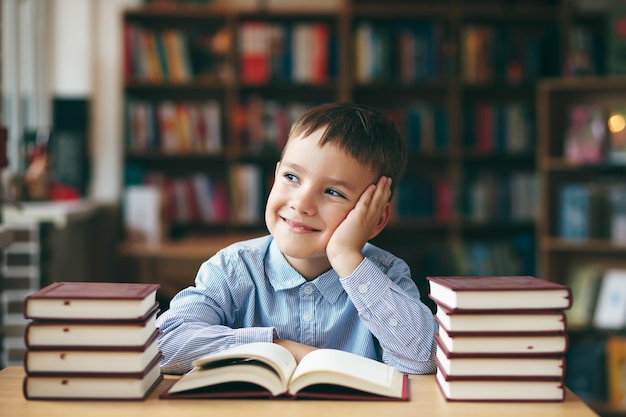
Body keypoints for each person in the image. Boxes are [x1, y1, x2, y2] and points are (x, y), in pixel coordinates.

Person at [155, 102, 437, 375]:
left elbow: (422, 358)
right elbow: (165, 344)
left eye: (333, 192)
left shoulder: (386, 275)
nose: (301, 204)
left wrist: (346, 256)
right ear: (275, 175)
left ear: (375, 218)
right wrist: (277, 349)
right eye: (292, 177)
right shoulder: (233, 269)